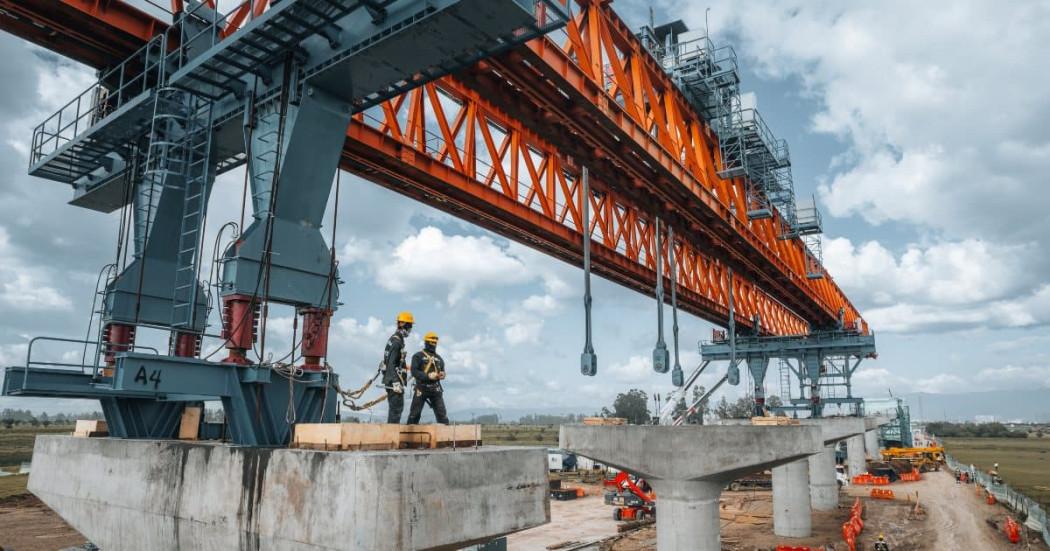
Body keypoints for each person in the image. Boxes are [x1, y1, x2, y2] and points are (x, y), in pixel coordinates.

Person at [406, 331, 449, 425]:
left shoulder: (439, 359)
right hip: (421, 388)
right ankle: (408, 437)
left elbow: (442, 371)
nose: (433, 344)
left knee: (442, 415)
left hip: (436, 389)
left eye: (435, 343)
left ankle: (447, 437)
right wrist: (428, 376)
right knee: (415, 414)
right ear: (426, 342)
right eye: (431, 342)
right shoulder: (418, 356)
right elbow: (414, 371)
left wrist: (442, 374)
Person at [382, 311, 413, 423]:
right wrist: (395, 382)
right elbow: (391, 364)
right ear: (402, 324)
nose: (410, 329)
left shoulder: (396, 339)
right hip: (394, 383)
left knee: (395, 411)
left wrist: (410, 369)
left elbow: (394, 362)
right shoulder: (396, 342)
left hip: (392, 380)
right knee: (396, 411)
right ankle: (391, 438)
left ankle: (391, 436)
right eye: (409, 326)